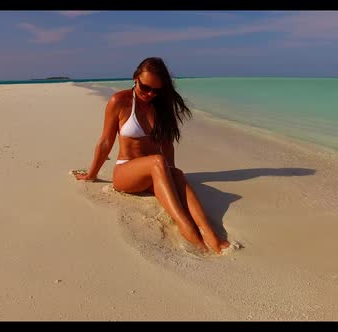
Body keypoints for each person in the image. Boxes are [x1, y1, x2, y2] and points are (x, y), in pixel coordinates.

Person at [75, 57, 230, 254]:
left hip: (154, 172)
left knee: (178, 174)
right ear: (135, 78)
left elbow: (167, 144)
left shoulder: (161, 106)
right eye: (145, 87)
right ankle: (186, 227)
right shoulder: (119, 101)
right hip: (126, 173)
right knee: (158, 161)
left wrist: (171, 174)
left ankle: (210, 233)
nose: (150, 94)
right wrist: (91, 174)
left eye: (156, 90)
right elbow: (106, 141)